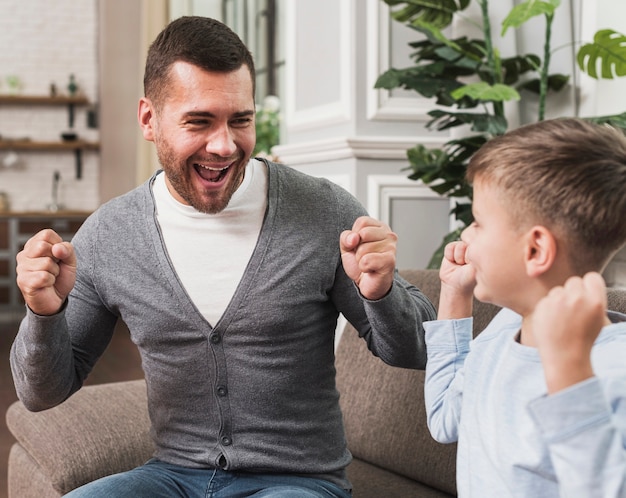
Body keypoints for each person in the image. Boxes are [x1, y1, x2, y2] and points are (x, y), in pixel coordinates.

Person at [10, 16, 436, 498]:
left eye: (241, 120)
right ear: (149, 119)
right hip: (172, 475)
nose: (224, 145)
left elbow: (415, 351)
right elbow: (42, 393)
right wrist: (44, 313)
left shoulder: (325, 211)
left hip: (298, 482)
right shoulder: (110, 236)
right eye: (199, 121)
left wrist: (382, 293)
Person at [423, 117, 626, 496]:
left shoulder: (614, 370)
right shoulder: (503, 332)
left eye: (479, 223)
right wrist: (454, 294)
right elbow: (444, 420)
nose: (466, 235)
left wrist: (569, 372)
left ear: (535, 250)